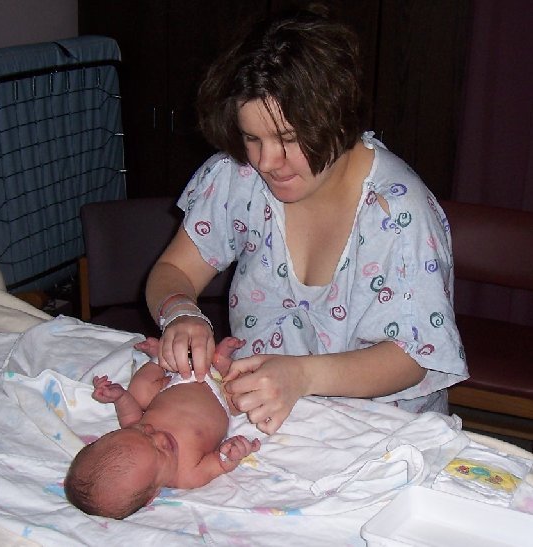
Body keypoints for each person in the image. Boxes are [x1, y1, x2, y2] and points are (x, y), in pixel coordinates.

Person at [144, 6, 468, 436]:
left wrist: (300, 375)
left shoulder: (397, 213)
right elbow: (175, 269)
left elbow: (414, 357)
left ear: (337, 119)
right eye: (252, 137)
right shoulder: (240, 176)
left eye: (288, 139)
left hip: (379, 432)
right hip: (269, 413)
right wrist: (181, 312)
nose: (266, 161)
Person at [65, 336, 260, 519]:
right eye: (160, 450)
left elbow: (129, 415)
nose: (159, 436)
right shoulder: (188, 475)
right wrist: (231, 453)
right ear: (153, 493)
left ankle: (160, 359)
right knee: (246, 397)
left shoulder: (134, 434)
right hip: (221, 395)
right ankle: (222, 362)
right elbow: (219, 463)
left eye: (145, 432)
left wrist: (120, 397)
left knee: (139, 393)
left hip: (174, 381)